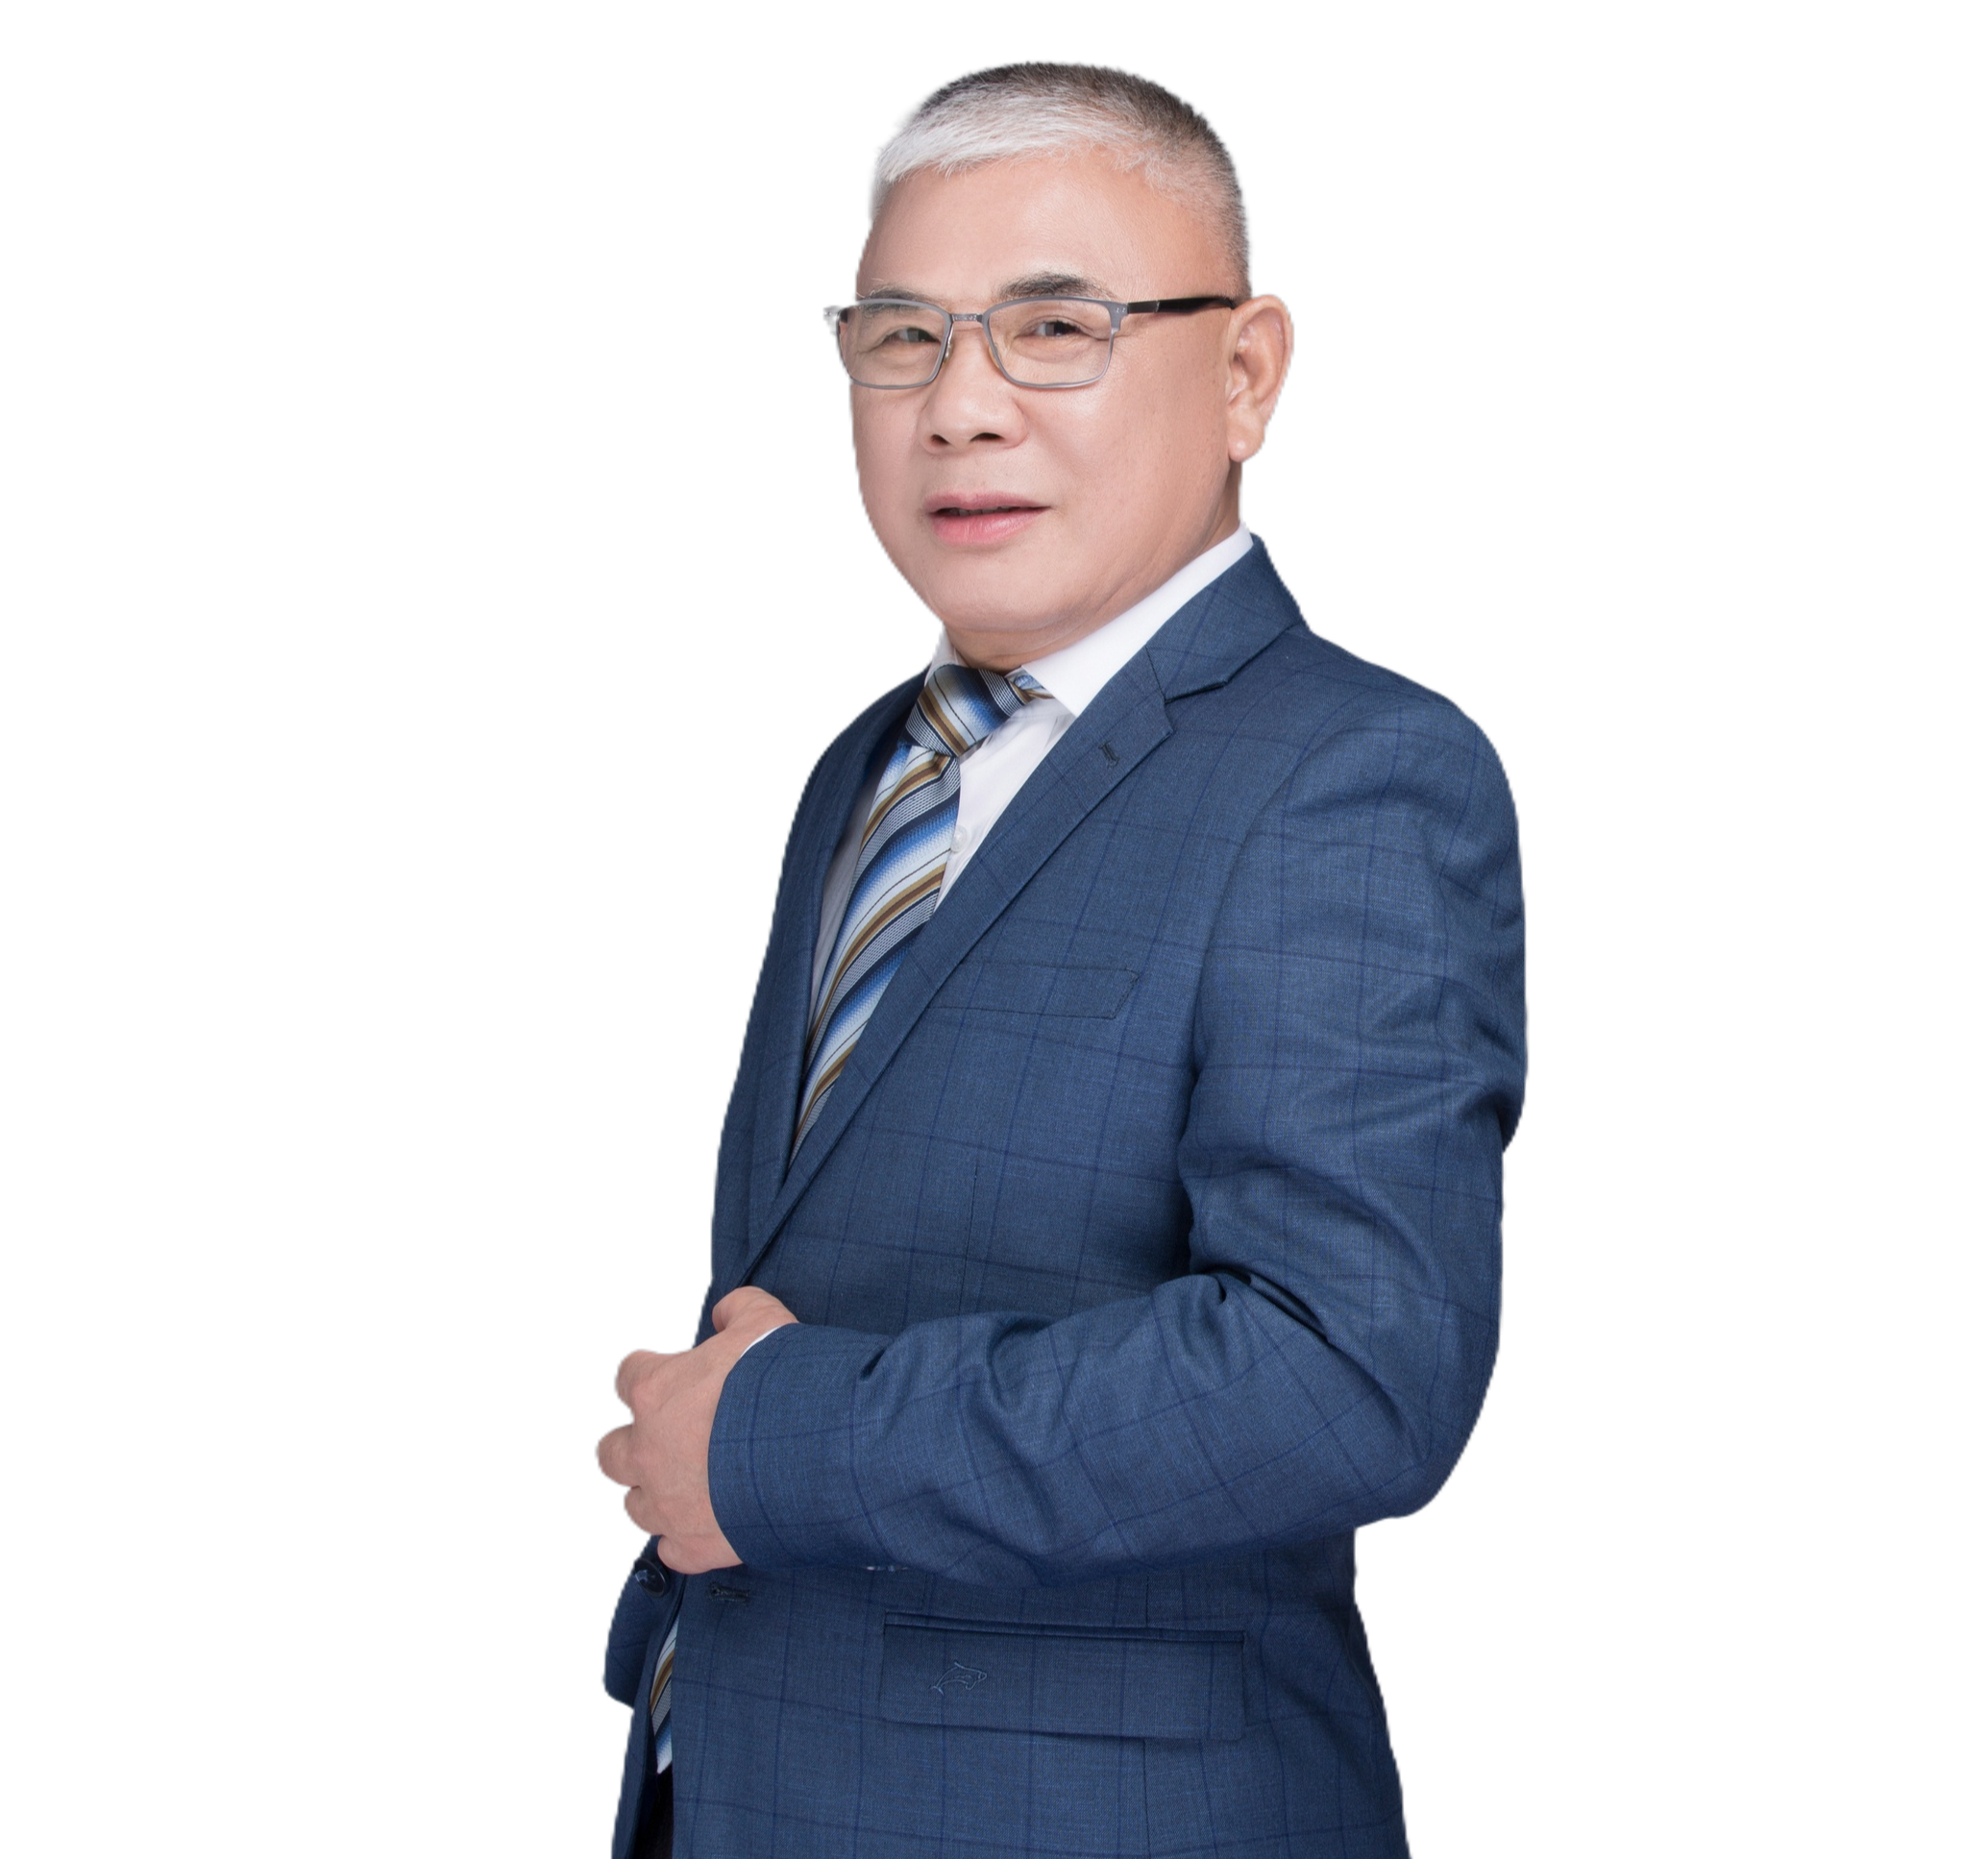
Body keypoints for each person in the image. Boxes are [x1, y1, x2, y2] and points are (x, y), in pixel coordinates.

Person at [597, 60, 1526, 1859]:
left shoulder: (1358, 772)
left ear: (1247, 372)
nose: (961, 407)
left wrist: (776, 1444)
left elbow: (1349, 1371)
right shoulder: (867, 765)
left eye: (1053, 328)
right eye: (901, 337)